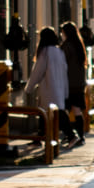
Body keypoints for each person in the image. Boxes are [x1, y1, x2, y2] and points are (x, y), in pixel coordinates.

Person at [30, 27, 67, 159]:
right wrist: (65, 90)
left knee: (45, 114)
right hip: (59, 88)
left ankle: (69, 135)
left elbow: (37, 72)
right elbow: (65, 71)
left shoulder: (45, 53)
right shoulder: (59, 52)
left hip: (48, 88)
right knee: (52, 114)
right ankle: (40, 139)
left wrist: (29, 87)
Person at [58, 20, 90, 145]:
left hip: (68, 84)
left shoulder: (67, 46)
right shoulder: (79, 45)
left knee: (63, 110)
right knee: (77, 110)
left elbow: (61, 63)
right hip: (79, 83)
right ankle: (81, 136)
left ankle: (70, 134)